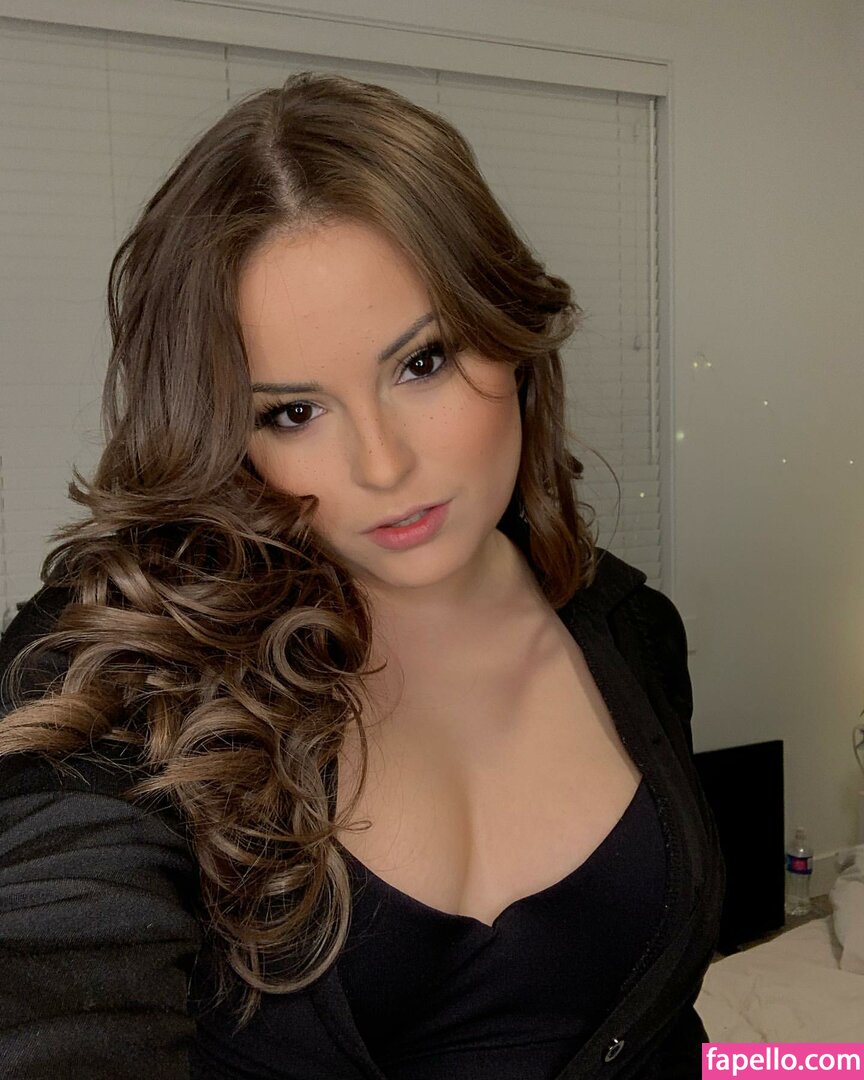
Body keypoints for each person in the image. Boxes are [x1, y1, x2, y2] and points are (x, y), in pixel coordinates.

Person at [0, 71, 723, 1079]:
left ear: (508, 333)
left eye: (421, 364)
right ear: (228, 435)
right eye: (293, 412)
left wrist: (818, 1064)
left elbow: (669, 1031)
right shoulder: (122, 664)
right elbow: (55, 983)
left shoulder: (633, 629)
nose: (382, 467)